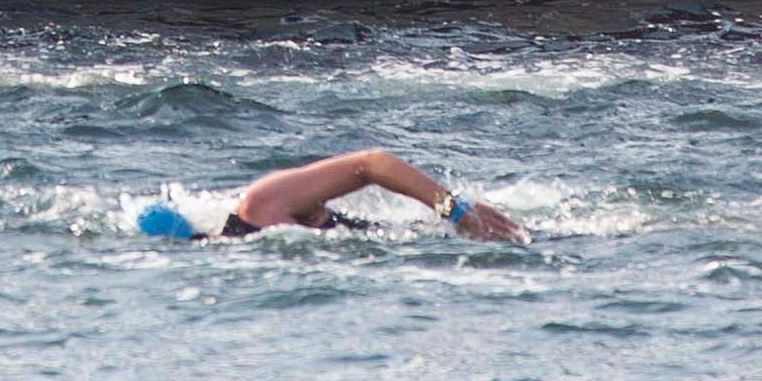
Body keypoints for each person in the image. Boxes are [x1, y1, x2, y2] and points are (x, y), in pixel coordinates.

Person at [136, 146, 528, 243]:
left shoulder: (260, 204)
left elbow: (373, 163)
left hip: (445, 238)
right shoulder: (249, 259)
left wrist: (454, 210)